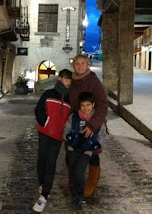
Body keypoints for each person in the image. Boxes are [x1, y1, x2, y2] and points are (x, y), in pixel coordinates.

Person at [32, 69, 72, 213]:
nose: (68, 82)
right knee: (41, 160)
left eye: (70, 80)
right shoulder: (48, 94)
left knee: (51, 162)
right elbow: (38, 110)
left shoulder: (69, 99)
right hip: (44, 133)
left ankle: (44, 195)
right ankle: (42, 184)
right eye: (66, 79)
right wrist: (45, 122)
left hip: (57, 136)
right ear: (60, 79)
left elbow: (70, 118)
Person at [69, 54, 108, 198]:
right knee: (72, 152)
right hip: (76, 122)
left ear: (88, 65)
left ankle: (91, 184)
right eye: (77, 63)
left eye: (83, 63)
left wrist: (92, 125)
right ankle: (73, 184)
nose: (80, 66)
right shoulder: (72, 81)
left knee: (93, 153)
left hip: (93, 122)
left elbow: (103, 104)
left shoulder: (93, 81)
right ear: (74, 66)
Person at [63, 91, 104, 210]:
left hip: (87, 150)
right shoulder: (74, 117)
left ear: (93, 105)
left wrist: (98, 144)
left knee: (79, 171)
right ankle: (74, 192)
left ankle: (79, 196)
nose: (85, 108)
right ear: (79, 106)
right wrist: (68, 137)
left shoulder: (97, 119)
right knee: (72, 172)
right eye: (82, 105)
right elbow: (66, 130)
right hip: (72, 148)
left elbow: (102, 135)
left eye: (88, 105)